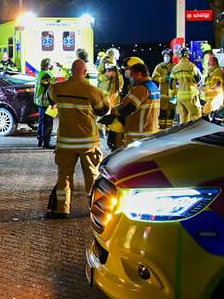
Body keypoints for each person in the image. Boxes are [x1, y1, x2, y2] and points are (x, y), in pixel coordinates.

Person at [48, 60, 108, 218]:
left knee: (64, 176)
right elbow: (104, 110)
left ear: (71, 71)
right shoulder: (93, 91)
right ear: (85, 71)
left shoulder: (57, 89)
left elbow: (50, 98)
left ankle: (62, 209)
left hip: (65, 142)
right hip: (88, 142)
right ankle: (94, 207)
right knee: (92, 175)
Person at [105, 60, 161, 146]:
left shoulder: (139, 89)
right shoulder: (153, 87)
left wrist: (115, 112)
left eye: (132, 74)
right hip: (151, 131)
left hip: (137, 134)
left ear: (138, 74)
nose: (131, 77)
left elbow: (128, 108)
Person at [171, 48, 201, 124]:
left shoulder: (175, 68)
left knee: (183, 118)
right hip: (190, 96)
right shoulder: (191, 66)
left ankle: (183, 134)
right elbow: (197, 79)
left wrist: (173, 95)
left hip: (180, 97)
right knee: (194, 116)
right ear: (188, 55)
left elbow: (171, 84)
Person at [34, 58, 56, 148]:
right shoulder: (46, 75)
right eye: (50, 64)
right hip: (46, 102)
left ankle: (40, 140)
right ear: (48, 65)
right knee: (48, 123)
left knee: (41, 121)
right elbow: (49, 90)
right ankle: (46, 143)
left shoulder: (40, 74)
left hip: (40, 101)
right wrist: (53, 103)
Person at [151, 49, 175, 129]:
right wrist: (164, 79)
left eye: (168, 56)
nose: (166, 57)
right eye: (165, 56)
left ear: (171, 57)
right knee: (162, 111)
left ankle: (169, 128)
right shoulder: (160, 66)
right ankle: (161, 128)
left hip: (173, 94)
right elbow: (154, 77)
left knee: (171, 111)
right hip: (163, 93)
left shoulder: (175, 66)